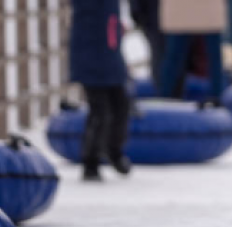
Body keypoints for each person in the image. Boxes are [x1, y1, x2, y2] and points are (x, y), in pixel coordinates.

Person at [70, 0, 132, 181]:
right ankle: (91, 161)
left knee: (121, 105)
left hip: (110, 55)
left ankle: (114, 151)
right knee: (100, 111)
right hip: (90, 57)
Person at [159, 0, 228, 100]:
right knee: (174, 58)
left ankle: (165, 98)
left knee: (174, 58)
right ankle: (165, 98)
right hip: (186, 9)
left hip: (190, 9)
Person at [130, 0, 165, 88]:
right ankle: (161, 89)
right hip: (151, 17)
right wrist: (137, 14)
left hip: (163, 16)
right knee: (159, 55)